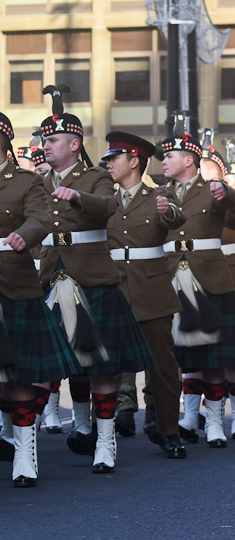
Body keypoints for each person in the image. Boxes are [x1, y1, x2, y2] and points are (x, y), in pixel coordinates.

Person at [0, 81, 80, 487]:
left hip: (12, 282)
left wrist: (23, 236)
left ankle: (25, 454)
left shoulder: (26, 181)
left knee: (18, 376)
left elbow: (41, 218)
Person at [36, 85, 154, 474]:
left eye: (53, 140)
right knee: (64, 364)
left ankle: (105, 442)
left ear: (74, 143)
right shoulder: (37, 182)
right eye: (44, 139)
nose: (46, 146)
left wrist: (76, 197)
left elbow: (107, 206)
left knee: (102, 367)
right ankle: (71, 429)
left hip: (92, 281)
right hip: (52, 280)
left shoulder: (95, 177)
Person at [103, 131, 188, 459]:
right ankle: (105, 435)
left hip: (151, 293)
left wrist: (167, 211)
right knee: (107, 366)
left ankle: (168, 430)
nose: (109, 164)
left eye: (115, 158)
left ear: (134, 161)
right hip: (114, 291)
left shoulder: (160, 194)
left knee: (162, 367)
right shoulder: (105, 197)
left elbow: (175, 218)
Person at [159, 115, 235, 449]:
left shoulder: (213, 190)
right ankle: (179, 418)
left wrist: (227, 192)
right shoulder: (158, 193)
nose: (163, 161)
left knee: (214, 359)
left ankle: (216, 422)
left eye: (169, 156)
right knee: (179, 359)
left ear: (188, 161)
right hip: (170, 279)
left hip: (208, 278)